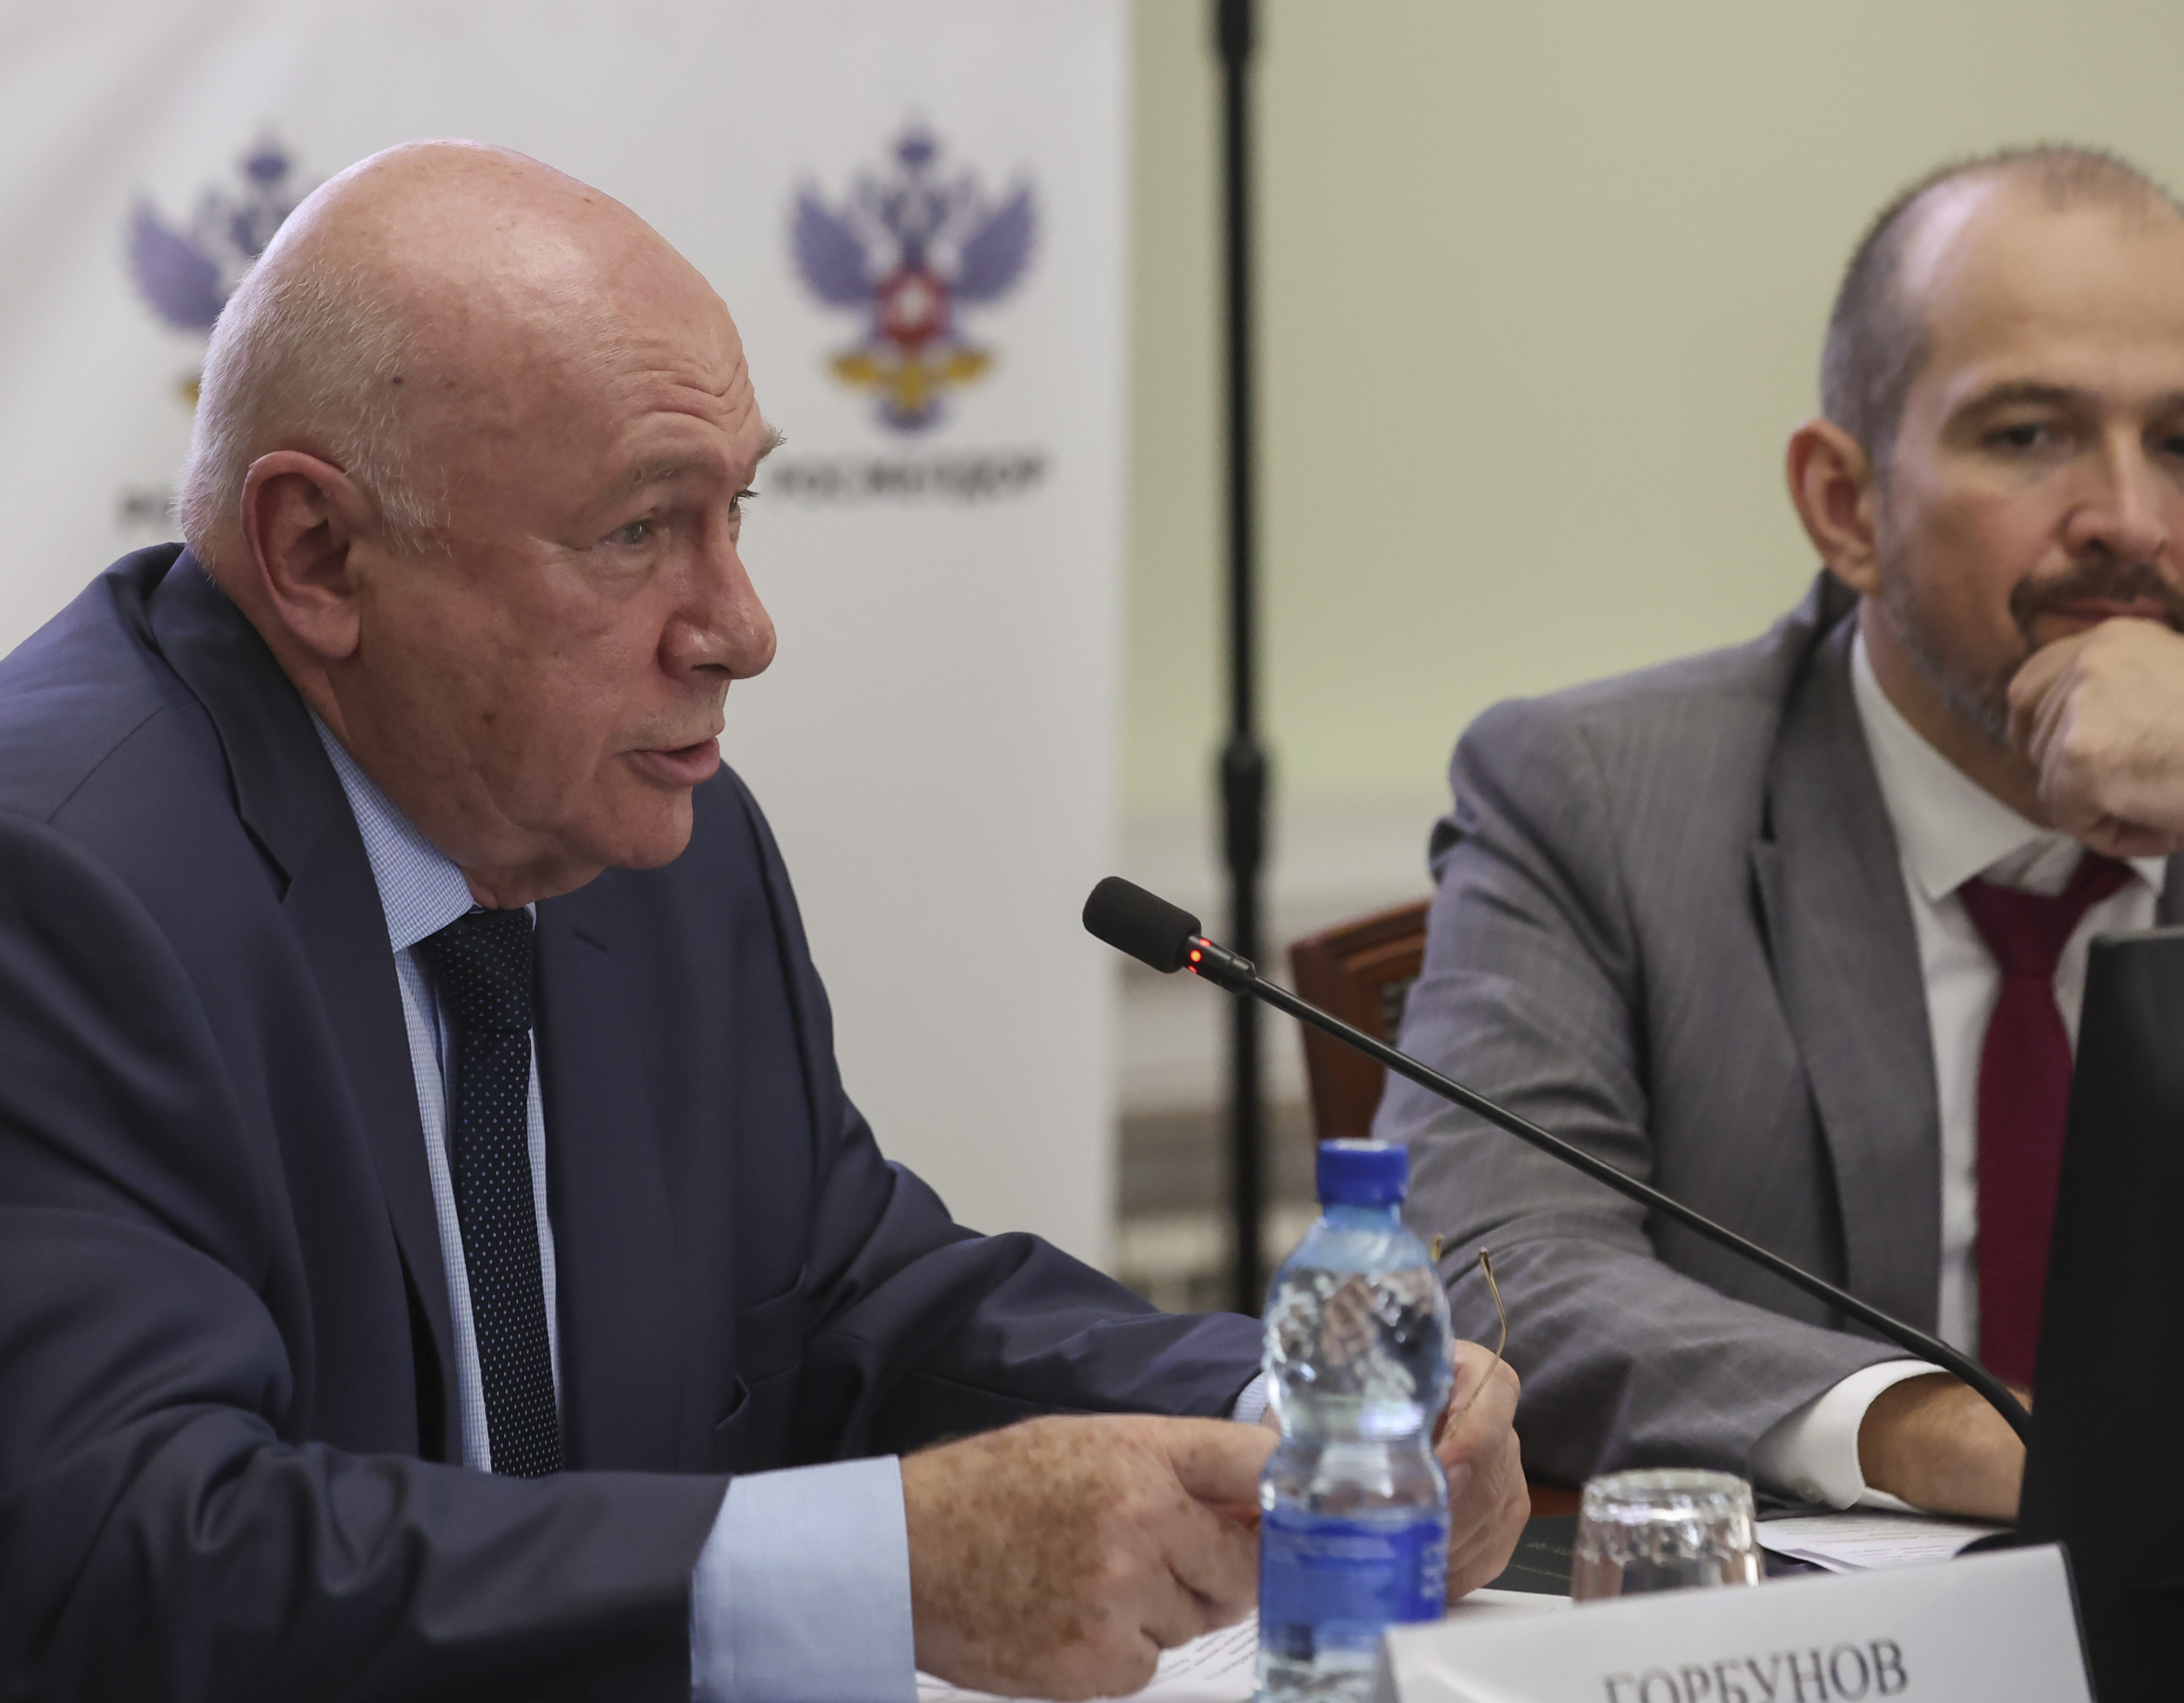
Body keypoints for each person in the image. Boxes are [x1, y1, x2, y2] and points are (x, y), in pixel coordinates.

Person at [0, 141, 1526, 1701]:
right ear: (318, 553)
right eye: (638, 531)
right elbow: (130, 1555)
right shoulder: (52, 888)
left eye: (737, 508)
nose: (743, 627)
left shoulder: (652, 838)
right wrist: (889, 1568)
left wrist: (1295, 1417)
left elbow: (849, 1307)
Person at [1381, 144, 2184, 1526]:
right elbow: (1493, 1263)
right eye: (2027, 434)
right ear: (1845, 503)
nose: (2129, 521)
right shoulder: (1597, 797)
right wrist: (1951, 1430)